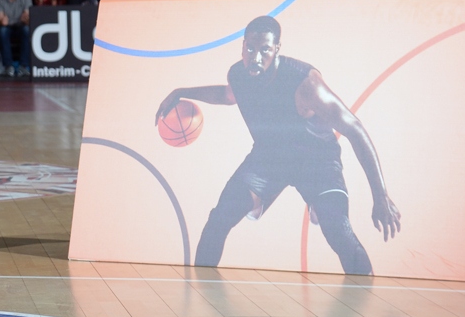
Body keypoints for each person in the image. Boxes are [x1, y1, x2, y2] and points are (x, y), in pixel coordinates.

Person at [155, 15, 400, 275]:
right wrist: (182, 91)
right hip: (269, 159)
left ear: (277, 49)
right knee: (219, 219)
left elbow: (355, 129)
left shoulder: (305, 83)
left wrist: (380, 196)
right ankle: (197, 294)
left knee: (338, 230)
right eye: (250, 49)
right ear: (243, 46)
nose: (256, 57)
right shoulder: (239, 75)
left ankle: (365, 294)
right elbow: (227, 95)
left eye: (265, 51)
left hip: (316, 162)